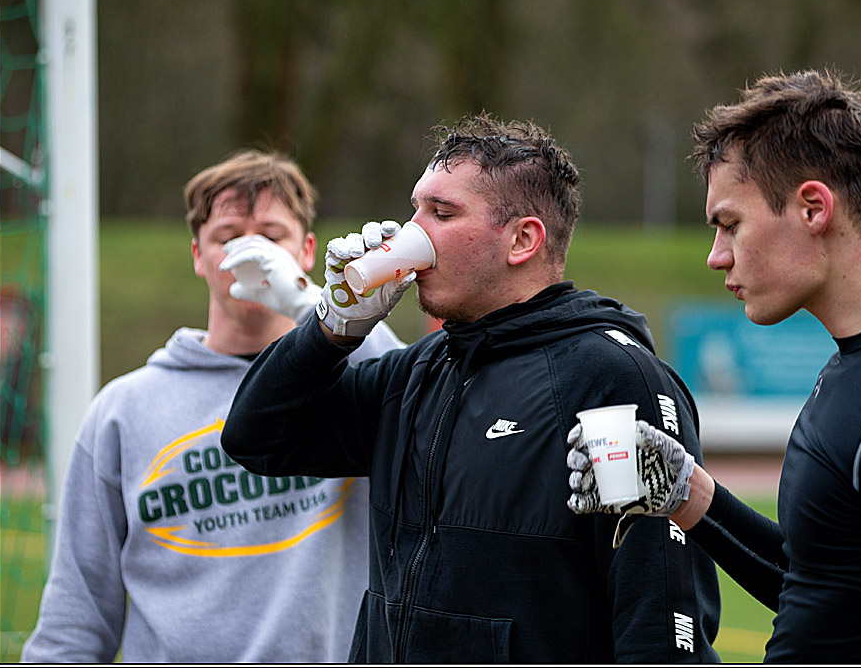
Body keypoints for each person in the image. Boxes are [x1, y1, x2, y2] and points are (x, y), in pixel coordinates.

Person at [220, 114, 722, 663]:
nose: (409, 233)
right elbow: (257, 437)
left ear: (523, 240)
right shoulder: (416, 373)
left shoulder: (608, 380)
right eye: (415, 209)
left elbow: (660, 621)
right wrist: (330, 328)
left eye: (441, 213)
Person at [567, 69, 861, 663]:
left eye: (730, 224)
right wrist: (687, 493)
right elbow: (831, 594)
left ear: (812, 208)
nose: (715, 256)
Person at [21, 150, 405, 662]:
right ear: (198, 255)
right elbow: (75, 620)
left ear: (308, 250)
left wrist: (313, 304)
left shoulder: (357, 375)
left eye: (271, 237)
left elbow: (419, 399)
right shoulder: (123, 410)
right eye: (228, 237)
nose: (250, 252)